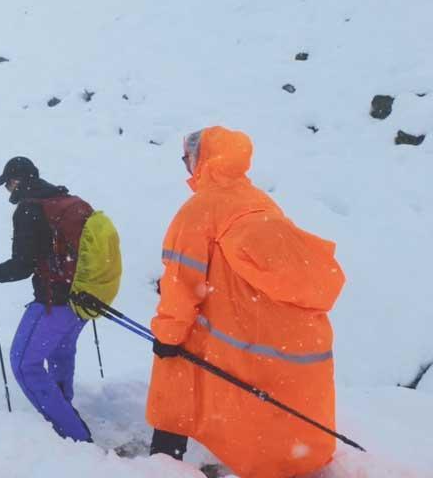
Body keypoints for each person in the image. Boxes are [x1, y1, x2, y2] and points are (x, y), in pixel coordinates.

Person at [146, 128, 343, 478]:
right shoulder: (260, 201)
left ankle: (165, 462)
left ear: (200, 160)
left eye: (187, 160)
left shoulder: (199, 210)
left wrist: (168, 336)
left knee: (174, 378)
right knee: (264, 404)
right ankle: (291, 461)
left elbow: (181, 284)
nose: (186, 167)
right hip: (277, 334)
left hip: (229, 331)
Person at [0, 157, 93, 443]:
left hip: (53, 302)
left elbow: (22, 266)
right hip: (82, 300)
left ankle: (73, 436)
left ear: (16, 180)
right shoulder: (64, 199)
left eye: (7, 184)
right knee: (60, 354)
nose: (8, 190)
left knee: (23, 363)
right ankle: (65, 414)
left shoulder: (30, 208)